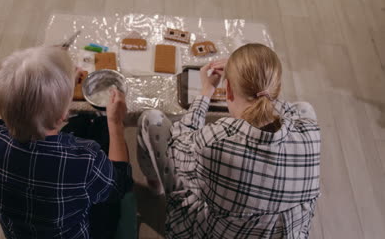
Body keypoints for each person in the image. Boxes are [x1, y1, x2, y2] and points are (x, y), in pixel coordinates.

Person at [137, 43, 321, 238]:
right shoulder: (311, 132)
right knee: (304, 108)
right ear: (277, 89)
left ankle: (154, 185)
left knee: (151, 120)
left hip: (212, 232)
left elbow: (178, 144)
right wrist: (257, 83)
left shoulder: (215, 144)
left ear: (228, 92)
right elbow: (281, 107)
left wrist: (206, 91)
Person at [0, 46, 133, 238]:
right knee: (111, 202)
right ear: (62, 116)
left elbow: (22, 110)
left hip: (19, 231)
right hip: (74, 232)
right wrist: (115, 123)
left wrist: (56, 74)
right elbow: (119, 185)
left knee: (81, 123)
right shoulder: (84, 162)